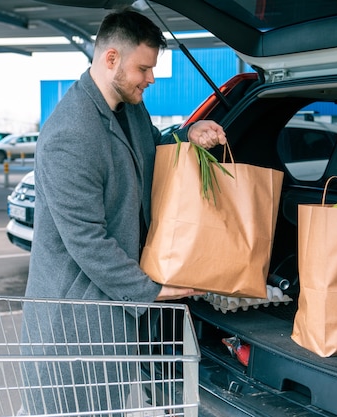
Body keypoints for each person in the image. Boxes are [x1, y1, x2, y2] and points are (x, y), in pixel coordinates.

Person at [19, 8, 226, 416]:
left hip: (108, 313)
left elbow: (149, 150)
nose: (151, 78)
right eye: (144, 68)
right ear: (111, 58)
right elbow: (86, 239)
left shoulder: (129, 108)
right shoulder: (71, 134)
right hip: (73, 325)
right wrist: (151, 290)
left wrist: (188, 136)